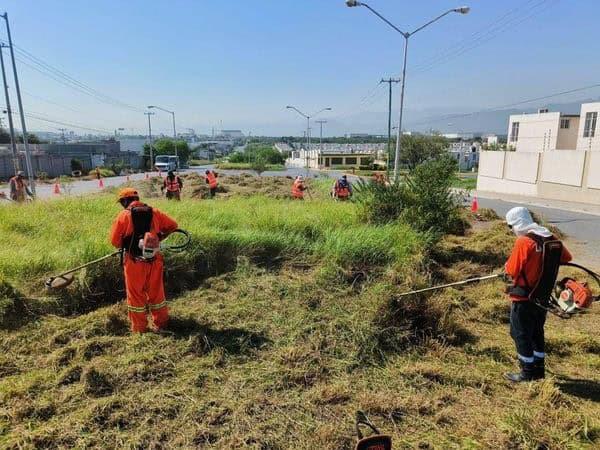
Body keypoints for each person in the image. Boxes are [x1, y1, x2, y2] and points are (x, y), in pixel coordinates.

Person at [503, 207, 572, 382]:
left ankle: (527, 372)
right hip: (542, 296)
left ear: (517, 224)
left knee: (519, 333)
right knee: (536, 332)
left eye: (511, 226)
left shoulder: (524, 242)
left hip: (524, 296)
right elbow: (566, 258)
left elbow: (512, 270)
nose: (512, 230)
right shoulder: (550, 238)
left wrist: (507, 269)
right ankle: (539, 370)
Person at [110, 188, 178, 333]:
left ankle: (140, 329)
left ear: (125, 201)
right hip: (155, 260)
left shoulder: (123, 216)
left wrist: (127, 244)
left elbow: (115, 242)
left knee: (135, 296)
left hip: (134, 262)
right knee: (157, 293)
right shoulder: (154, 212)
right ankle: (162, 324)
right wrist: (159, 238)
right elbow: (173, 225)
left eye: (122, 202)